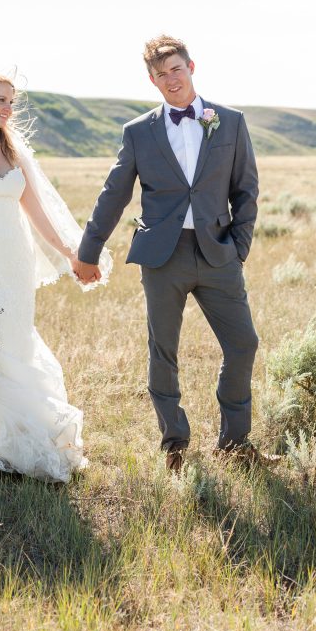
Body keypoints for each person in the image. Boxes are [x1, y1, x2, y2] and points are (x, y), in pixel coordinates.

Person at [76, 35, 277, 472]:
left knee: (243, 344)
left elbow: (246, 189)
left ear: (191, 67)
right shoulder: (138, 132)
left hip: (219, 253)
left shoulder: (229, 121)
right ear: (152, 79)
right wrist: (88, 250)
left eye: (176, 69)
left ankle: (234, 443)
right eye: (161, 74)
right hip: (162, 258)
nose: (171, 79)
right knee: (163, 350)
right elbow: (114, 194)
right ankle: (175, 444)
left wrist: (238, 246)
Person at [0, 71, 111, 482]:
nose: (8, 108)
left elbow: (39, 217)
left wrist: (72, 255)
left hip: (14, 265)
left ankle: (27, 434)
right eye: (0, 100)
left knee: (14, 344)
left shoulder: (12, 154)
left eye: (12, 101)